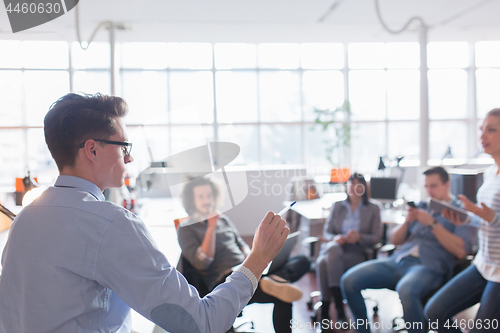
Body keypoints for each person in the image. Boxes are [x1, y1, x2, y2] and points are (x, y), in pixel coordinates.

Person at [0, 93, 290, 333]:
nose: (130, 157)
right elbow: (202, 322)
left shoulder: (25, 218)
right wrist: (259, 258)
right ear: (92, 150)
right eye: (123, 145)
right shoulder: (110, 223)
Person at [341, 166, 477, 333]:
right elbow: (394, 240)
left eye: (433, 186)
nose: (429, 191)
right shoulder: (422, 206)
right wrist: (407, 221)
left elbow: (462, 251)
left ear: (447, 184)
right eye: (426, 186)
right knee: (349, 280)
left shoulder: (460, 212)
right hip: (399, 260)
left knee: (405, 289)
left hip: (429, 267)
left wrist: (432, 224)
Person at [177, 176, 311, 333]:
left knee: (303, 260)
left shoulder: (223, 220)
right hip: (226, 280)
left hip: (247, 268)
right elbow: (202, 263)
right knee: (284, 293)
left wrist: (253, 257)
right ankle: (276, 280)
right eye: (201, 196)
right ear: (191, 200)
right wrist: (211, 228)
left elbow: (241, 244)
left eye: (209, 195)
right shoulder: (186, 228)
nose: (207, 200)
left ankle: (275, 279)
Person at [424, 109, 500, 332]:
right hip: (483, 262)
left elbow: (493, 219)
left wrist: (493, 218)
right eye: (481, 129)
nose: (482, 136)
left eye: (491, 130)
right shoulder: (489, 173)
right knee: (434, 312)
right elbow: (486, 221)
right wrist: (466, 220)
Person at [315, 173, 382, 325]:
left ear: (364, 188)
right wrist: (336, 238)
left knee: (322, 263)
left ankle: (326, 312)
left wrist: (359, 237)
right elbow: (327, 232)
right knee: (333, 248)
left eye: (359, 185)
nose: (355, 188)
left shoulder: (373, 208)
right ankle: (338, 307)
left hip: (356, 251)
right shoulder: (338, 206)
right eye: (351, 184)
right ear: (346, 186)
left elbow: (377, 237)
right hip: (336, 248)